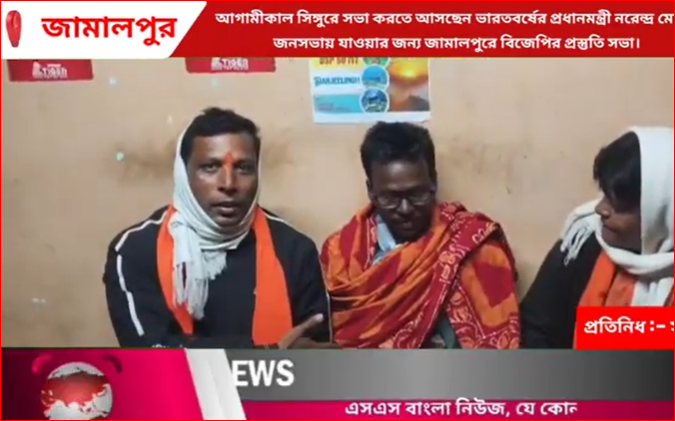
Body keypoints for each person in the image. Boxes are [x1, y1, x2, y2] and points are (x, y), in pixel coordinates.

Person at [103, 108, 335, 349]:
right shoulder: (135, 250)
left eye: (243, 168)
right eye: (210, 167)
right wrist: (268, 353)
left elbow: (315, 357)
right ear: (183, 174)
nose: (228, 184)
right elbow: (150, 356)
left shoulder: (295, 251)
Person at [320, 122, 520, 349]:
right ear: (371, 191)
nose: (405, 209)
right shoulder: (341, 255)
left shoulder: (474, 247)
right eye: (391, 198)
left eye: (416, 194)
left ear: (433, 182)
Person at [520, 127, 674, 348]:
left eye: (619, 204)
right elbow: (535, 327)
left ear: (662, 213)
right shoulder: (584, 241)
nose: (600, 209)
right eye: (605, 195)